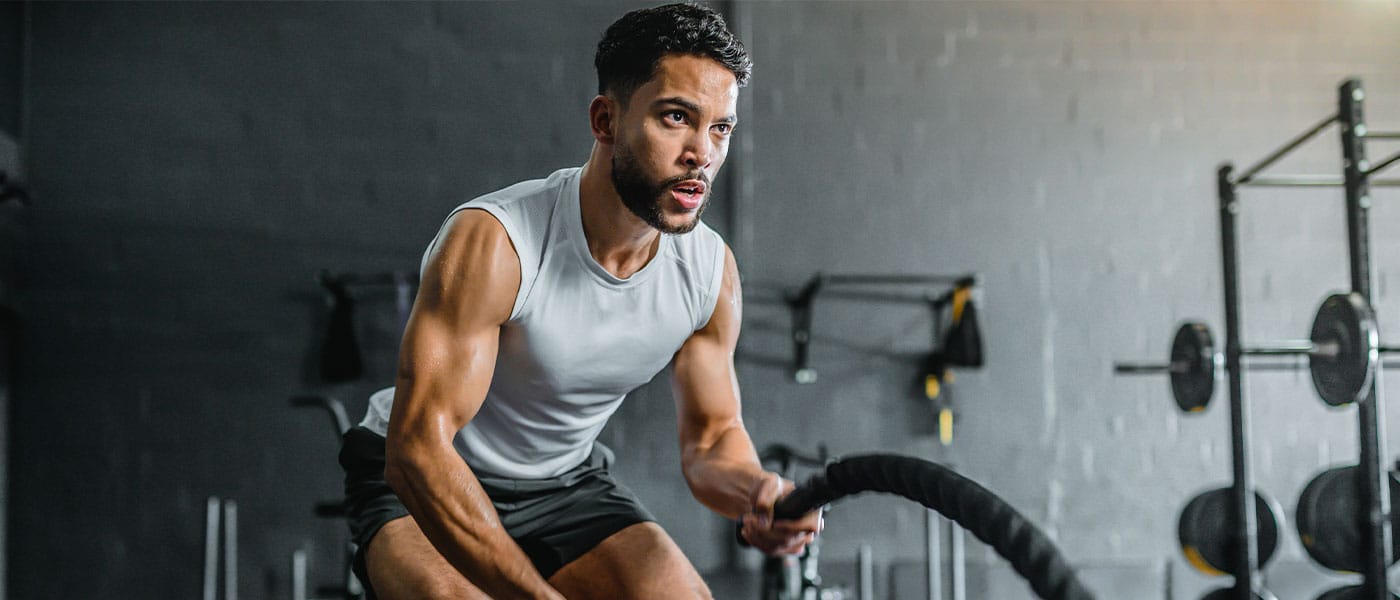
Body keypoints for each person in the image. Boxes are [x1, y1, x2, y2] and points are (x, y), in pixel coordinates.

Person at [337, 4, 821, 598]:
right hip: (423, 478)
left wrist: (758, 491)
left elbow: (713, 439)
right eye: (676, 117)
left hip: (565, 485)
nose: (702, 152)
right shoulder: (498, 242)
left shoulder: (708, 272)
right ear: (606, 120)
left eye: (720, 127)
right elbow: (417, 450)